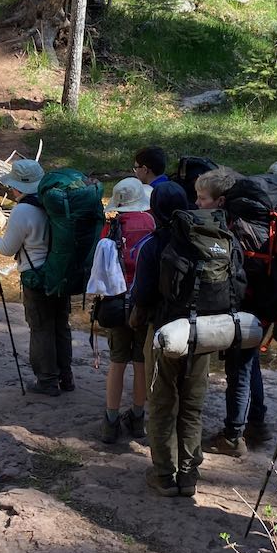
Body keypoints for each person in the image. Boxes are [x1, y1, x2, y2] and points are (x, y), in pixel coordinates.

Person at [130, 181, 207, 497]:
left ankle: (164, 475)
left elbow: (143, 295)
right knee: (191, 405)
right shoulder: (204, 240)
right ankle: (188, 477)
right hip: (201, 333)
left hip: (163, 333)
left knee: (162, 404)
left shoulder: (152, 245)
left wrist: (134, 321)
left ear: (154, 210)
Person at [195, 166, 270, 457]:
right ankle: (258, 422)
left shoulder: (230, 228)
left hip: (244, 304)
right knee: (250, 363)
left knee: (238, 369)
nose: (199, 204)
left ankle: (232, 436)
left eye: (203, 199)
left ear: (221, 201)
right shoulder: (253, 223)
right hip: (262, 302)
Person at [0, 159, 73, 397]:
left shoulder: (23, 210)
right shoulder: (54, 202)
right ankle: (66, 377)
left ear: (18, 187)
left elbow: (7, 248)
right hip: (61, 273)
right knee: (61, 325)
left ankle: (47, 381)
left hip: (36, 277)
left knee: (41, 328)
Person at [100, 177, 155, 441]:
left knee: (117, 361)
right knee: (141, 362)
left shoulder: (111, 227)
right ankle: (137, 417)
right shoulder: (152, 224)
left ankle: (110, 421)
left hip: (116, 302)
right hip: (144, 303)